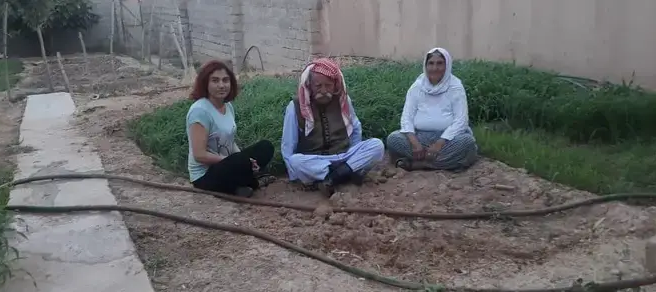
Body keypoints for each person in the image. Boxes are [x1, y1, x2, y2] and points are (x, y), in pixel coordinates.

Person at [280, 58, 385, 197]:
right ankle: (346, 174)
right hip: (316, 161)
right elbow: (288, 145)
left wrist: (354, 155)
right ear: (309, 85)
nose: (323, 90)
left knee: (377, 145)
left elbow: (355, 129)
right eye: (318, 86)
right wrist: (295, 175)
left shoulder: (343, 100)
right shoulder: (295, 107)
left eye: (328, 85)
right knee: (295, 161)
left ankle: (332, 178)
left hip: (344, 155)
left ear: (335, 85)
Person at [186, 60, 276, 197]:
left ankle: (240, 184)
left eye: (225, 80)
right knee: (241, 162)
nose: (221, 85)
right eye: (215, 81)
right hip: (205, 175)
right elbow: (199, 155)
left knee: (265, 147)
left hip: (226, 163)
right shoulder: (199, 111)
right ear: (206, 83)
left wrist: (245, 160)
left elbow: (230, 141)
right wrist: (238, 161)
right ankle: (252, 183)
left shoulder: (227, 107)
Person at [386, 47, 478, 171]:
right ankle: (444, 163)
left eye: (440, 63)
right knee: (394, 139)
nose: (435, 68)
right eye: (431, 63)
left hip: (448, 140)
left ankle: (417, 164)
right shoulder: (417, 87)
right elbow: (406, 118)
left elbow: (461, 121)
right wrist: (415, 143)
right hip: (419, 137)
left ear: (447, 65)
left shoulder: (455, 87)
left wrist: (440, 143)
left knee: (467, 142)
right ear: (425, 65)